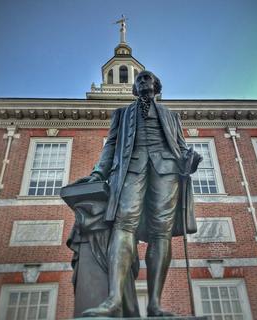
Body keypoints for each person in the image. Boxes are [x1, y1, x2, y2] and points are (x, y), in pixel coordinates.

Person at [73, 70, 202, 317]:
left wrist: (190, 159)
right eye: (139, 79)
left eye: (147, 78)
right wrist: (99, 173)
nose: (143, 81)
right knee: (124, 225)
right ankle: (114, 299)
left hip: (166, 171)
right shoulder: (122, 114)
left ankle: (154, 304)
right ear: (134, 87)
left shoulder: (171, 116)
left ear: (156, 85)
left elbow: (182, 147)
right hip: (130, 170)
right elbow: (111, 145)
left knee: (161, 232)